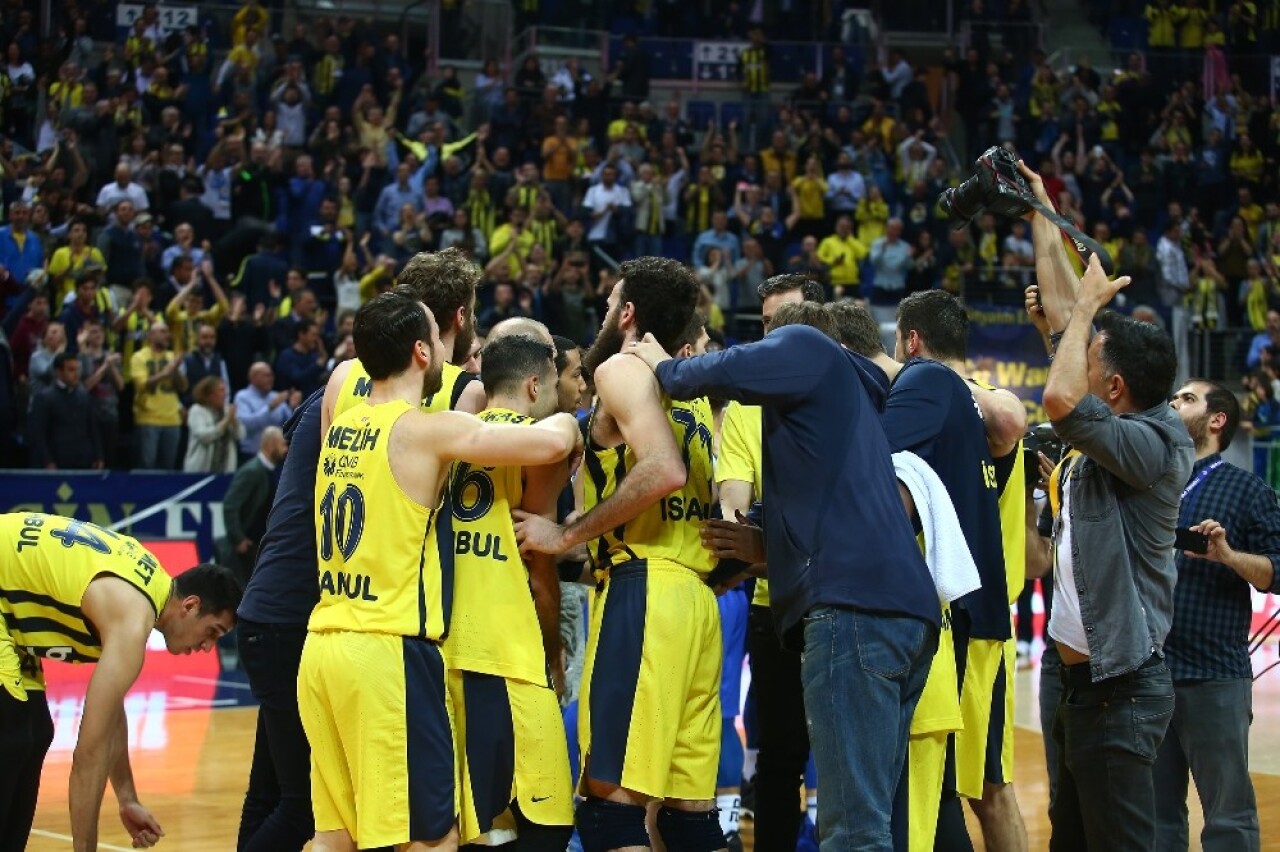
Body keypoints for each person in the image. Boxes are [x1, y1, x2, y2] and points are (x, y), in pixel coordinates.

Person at [626, 281, 941, 850]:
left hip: (853, 614)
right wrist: (756, 551)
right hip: (902, 614)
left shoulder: (807, 346)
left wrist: (659, 360)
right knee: (875, 816)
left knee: (852, 829)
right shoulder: (851, 409)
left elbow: (699, 375)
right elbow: (824, 520)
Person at [299, 291, 582, 852]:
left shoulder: (344, 424)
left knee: (335, 838)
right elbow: (548, 442)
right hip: (385, 653)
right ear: (422, 353)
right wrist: (572, 423)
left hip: (323, 646)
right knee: (434, 839)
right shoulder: (423, 430)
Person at [512, 257, 726, 852]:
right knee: (689, 820)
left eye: (610, 304)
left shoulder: (622, 369)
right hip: (697, 602)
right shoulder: (693, 390)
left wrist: (566, 533)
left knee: (611, 812)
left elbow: (663, 468)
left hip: (645, 590)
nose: (605, 314)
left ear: (628, 314)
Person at [1039, 252, 1192, 850]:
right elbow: (1062, 333)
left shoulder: (1151, 442)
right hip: (1082, 686)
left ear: (1113, 387)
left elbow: (1058, 394)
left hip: (1119, 690)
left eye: (1090, 361)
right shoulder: (1115, 431)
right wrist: (1039, 209)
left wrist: (1084, 309)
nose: (1077, 363)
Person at [882, 289, 1028, 852]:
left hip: (970, 617)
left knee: (967, 787)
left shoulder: (950, 392)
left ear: (912, 340)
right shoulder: (969, 413)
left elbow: (1012, 416)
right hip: (981, 610)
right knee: (967, 786)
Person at [0, 514, 239, 851]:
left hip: (10, 611)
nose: (207, 647)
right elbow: (88, 755)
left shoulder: (149, 586)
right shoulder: (133, 617)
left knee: (36, 732)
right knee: (13, 734)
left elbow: (109, 713)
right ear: (190, 605)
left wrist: (126, 798)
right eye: (211, 632)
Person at [445, 333, 576, 848]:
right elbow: (539, 570)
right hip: (507, 651)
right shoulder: (540, 447)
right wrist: (554, 654)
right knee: (548, 825)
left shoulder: (448, 437)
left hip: (446, 643)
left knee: (466, 821)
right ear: (533, 384)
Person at [714, 274, 824, 851]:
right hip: (775, 610)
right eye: (765, 326)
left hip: (841, 608)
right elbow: (733, 520)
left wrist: (769, 536)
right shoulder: (744, 408)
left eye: (788, 323)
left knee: (850, 760)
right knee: (780, 765)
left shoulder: (852, 391)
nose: (774, 337)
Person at [1158, 379, 1279, 850]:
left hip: (1214, 675)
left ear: (1216, 419)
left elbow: (1275, 572)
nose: (1173, 402)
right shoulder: (1151, 482)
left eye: (1186, 398)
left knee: (1228, 817)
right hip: (1149, 673)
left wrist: (1229, 556)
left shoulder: (1247, 490)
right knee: (1155, 816)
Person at [322, 247, 487, 428]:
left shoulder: (342, 375)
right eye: (472, 313)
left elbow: (326, 455)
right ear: (461, 316)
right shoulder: (472, 394)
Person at [219, 426, 288, 585]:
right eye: (283, 444)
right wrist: (238, 539)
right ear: (270, 445)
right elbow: (230, 505)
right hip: (245, 548)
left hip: (259, 545)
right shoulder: (252, 471)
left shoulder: (271, 470)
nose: (286, 449)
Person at [27, 352, 102, 470]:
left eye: (77, 369)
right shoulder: (45, 398)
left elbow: (93, 428)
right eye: (71, 370)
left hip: (84, 461)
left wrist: (98, 456)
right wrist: (47, 460)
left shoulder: (84, 396)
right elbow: (39, 434)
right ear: (58, 372)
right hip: (58, 461)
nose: (76, 374)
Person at [130, 319, 187, 470]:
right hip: (148, 418)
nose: (167, 335)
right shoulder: (139, 357)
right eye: (162, 332)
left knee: (168, 467)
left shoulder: (172, 357)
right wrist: (164, 373)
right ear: (150, 335)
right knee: (147, 466)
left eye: (167, 332)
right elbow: (141, 385)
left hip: (172, 419)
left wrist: (175, 370)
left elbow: (183, 387)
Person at [184, 376, 244, 473]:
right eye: (221, 390)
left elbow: (240, 435)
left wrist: (234, 422)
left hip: (225, 469)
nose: (225, 394)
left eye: (225, 390)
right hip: (200, 470)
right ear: (209, 394)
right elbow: (204, 436)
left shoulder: (227, 410)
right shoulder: (197, 410)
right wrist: (226, 421)